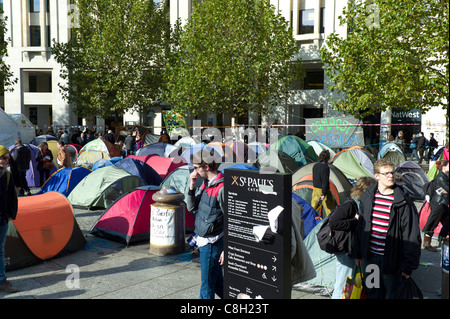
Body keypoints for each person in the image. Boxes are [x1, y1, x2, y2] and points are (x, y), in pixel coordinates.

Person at [353, 158, 421, 299]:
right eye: (386, 173)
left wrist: (409, 265)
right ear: (377, 176)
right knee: (373, 293)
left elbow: (411, 235)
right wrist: (358, 252)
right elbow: (361, 227)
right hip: (370, 258)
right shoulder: (368, 196)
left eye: (392, 172)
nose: (391, 176)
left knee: (391, 295)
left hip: (391, 260)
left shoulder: (403, 201)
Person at [329, 176, 377, 299]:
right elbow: (333, 222)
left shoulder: (360, 204)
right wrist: (355, 221)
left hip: (352, 249)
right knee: (342, 284)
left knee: (348, 284)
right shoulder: (350, 205)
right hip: (345, 249)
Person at [187, 156, 224, 299]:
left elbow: (232, 219)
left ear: (206, 167)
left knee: (207, 286)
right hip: (204, 238)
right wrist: (192, 185)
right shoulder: (205, 183)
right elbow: (191, 207)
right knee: (216, 283)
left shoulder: (222, 188)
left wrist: (226, 248)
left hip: (212, 242)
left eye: (196, 167)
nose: (194, 171)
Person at [0, 145, 19, 293]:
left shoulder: (7, 175)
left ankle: (1, 280)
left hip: (2, 220)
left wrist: (10, 215)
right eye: (3, 157)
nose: (6, 160)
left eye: (7, 158)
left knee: (0, 250)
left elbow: (12, 197)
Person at [422, 160, 449, 252]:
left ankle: (442, 238)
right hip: (439, 203)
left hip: (443, 203)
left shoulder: (446, 176)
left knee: (447, 221)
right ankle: (426, 243)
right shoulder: (441, 177)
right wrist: (446, 191)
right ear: (444, 167)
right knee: (432, 222)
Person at [311, 150, 336, 217]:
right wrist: (324, 193)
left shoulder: (315, 166)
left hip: (315, 189)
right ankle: (331, 222)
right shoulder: (325, 168)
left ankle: (310, 220)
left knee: (313, 207)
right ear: (327, 158)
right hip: (323, 190)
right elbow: (325, 181)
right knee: (330, 209)